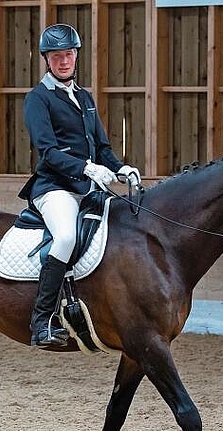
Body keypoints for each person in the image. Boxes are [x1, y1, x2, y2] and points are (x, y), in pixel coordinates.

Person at [19, 23, 142, 348]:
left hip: (87, 188)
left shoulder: (84, 97)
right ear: (47, 59)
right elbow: (48, 152)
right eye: (57, 56)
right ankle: (42, 321)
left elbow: (101, 147)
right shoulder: (38, 99)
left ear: (76, 56)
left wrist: (119, 167)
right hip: (54, 188)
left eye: (69, 55)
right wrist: (87, 168)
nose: (64, 61)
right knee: (66, 237)